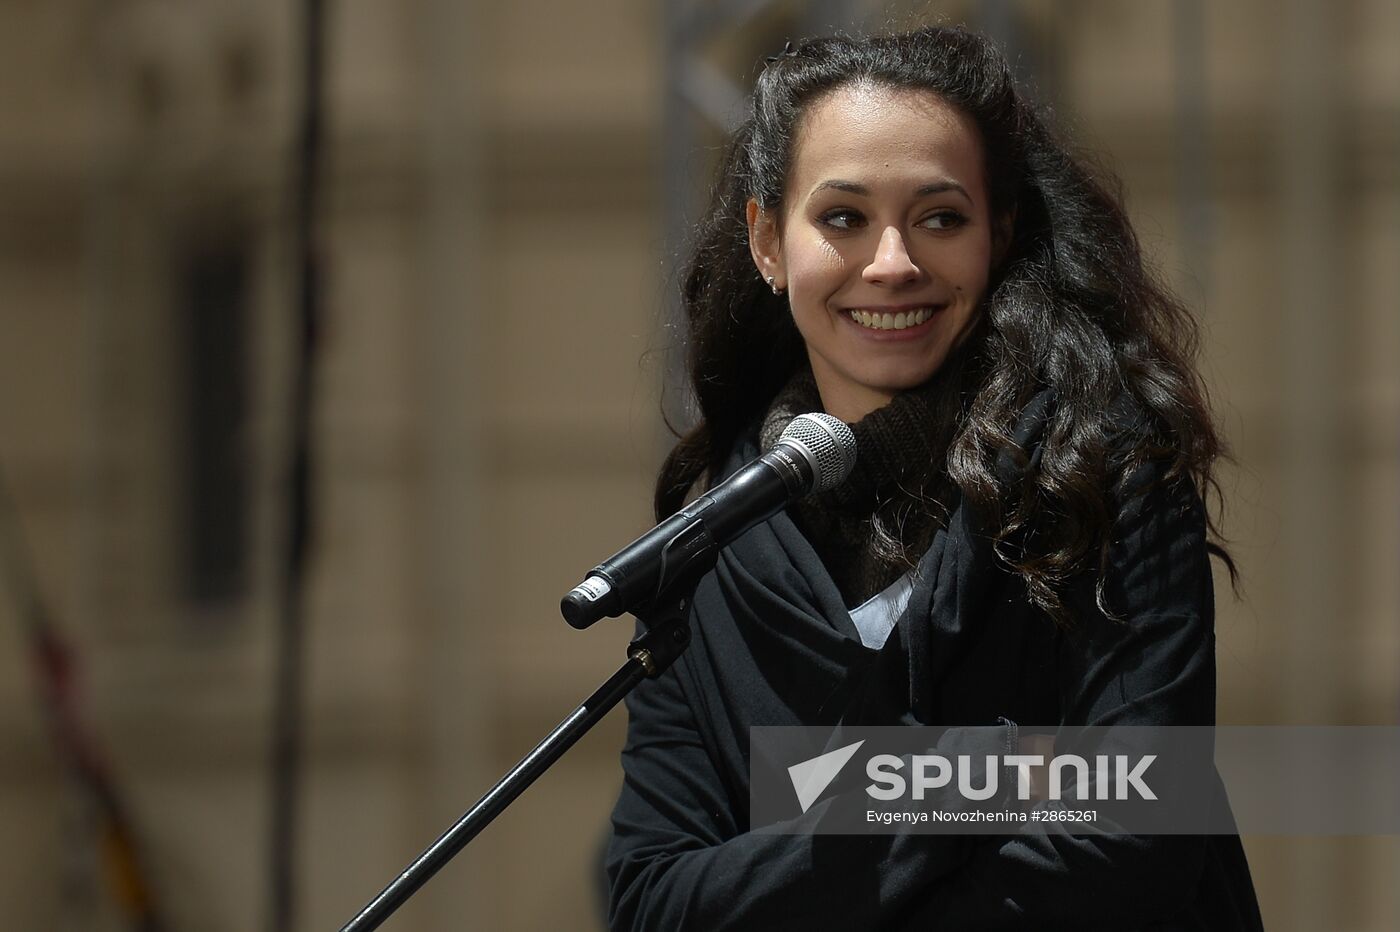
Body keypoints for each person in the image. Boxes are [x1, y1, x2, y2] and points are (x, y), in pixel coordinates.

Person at [605, 25, 1263, 930]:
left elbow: (1134, 840)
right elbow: (655, 898)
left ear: (1002, 232)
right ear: (767, 241)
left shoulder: (1105, 470)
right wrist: (979, 774)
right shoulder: (707, 552)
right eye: (843, 217)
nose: (893, 263)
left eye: (941, 217)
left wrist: (829, 828)